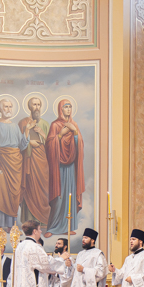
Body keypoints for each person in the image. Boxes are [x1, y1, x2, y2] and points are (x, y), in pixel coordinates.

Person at [0, 95, 28, 230]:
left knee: (13, 194)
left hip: (16, 164)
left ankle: (12, 225)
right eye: (6, 106)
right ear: (0, 109)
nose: (8, 109)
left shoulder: (15, 126)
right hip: (2, 162)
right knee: (1, 192)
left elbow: (21, 146)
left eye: (10, 107)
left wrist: (26, 133)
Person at [46, 99, 85, 235]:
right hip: (59, 168)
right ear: (60, 109)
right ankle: (53, 227)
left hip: (71, 168)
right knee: (59, 197)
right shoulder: (55, 125)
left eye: (70, 106)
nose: (68, 109)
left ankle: (68, 226)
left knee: (70, 196)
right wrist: (60, 135)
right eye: (65, 107)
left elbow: (80, 144)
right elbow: (50, 145)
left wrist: (75, 133)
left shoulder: (74, 125)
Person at [18, 96, 51, 227]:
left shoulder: (45, 124)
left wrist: (42, 133)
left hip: (43, 163)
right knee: (30, 188)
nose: (36, 107)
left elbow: (53, 146)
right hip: (29, 162)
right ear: (29, 107)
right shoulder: (22, 123)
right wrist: (29, 141)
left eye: (38, 104)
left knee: (43, 190)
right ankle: (28, 220)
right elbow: (19, 145)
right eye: (34, 105)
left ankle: (43, 220)